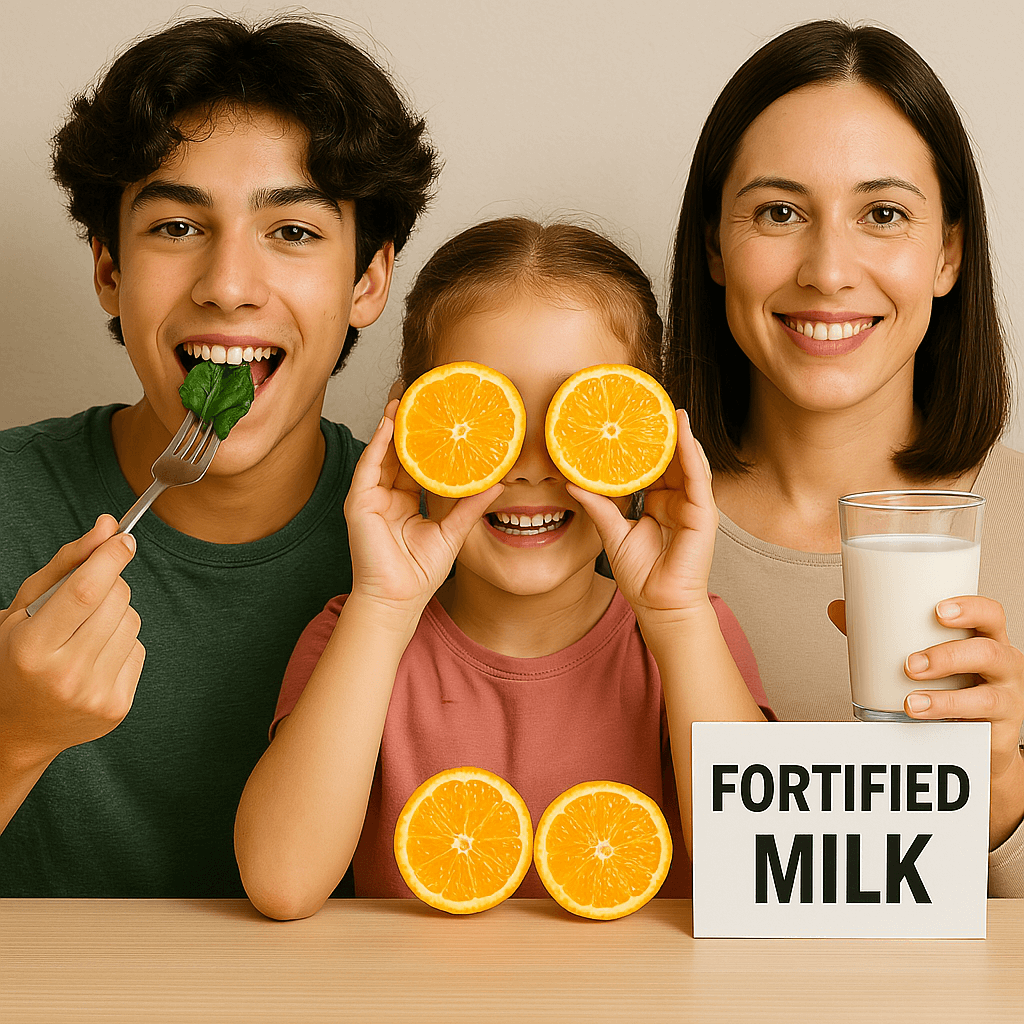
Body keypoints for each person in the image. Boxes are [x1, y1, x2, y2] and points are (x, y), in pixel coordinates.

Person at [0, 15, 438, 897]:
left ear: (369, 281)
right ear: (109, 270)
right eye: (174, 227)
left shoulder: (429, 551)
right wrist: (13, 734)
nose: (229, 285)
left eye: (295, 232)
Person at [233, 217, 772, 919]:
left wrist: (676, 617)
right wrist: (384, 605)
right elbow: (282, 882)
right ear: (416, 426)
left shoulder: (692, 635)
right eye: (485, 416)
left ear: (644, 436)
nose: (528, 467)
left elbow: (765, 876)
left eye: (577, 419)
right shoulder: (355, 633)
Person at [667, 19, 1024, 896]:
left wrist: (1004, 806)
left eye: (884, 214)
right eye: (779, 212)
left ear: (949, 253)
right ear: (715, 244)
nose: (829, 270)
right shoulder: (618, 532)